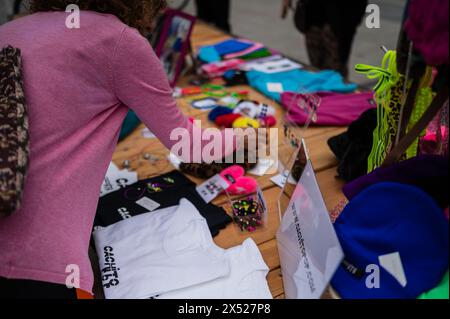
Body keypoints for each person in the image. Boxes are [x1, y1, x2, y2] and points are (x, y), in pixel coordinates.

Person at [0, 0, 239, 299]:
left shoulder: (12, 29)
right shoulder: (118, 41)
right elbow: (190, 146)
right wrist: (248, 138)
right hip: (44, 265)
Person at [283, 0, 367, 79]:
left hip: (341, 15)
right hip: (312, 13)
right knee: (316, 66)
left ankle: (339, 91)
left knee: (336, 70)